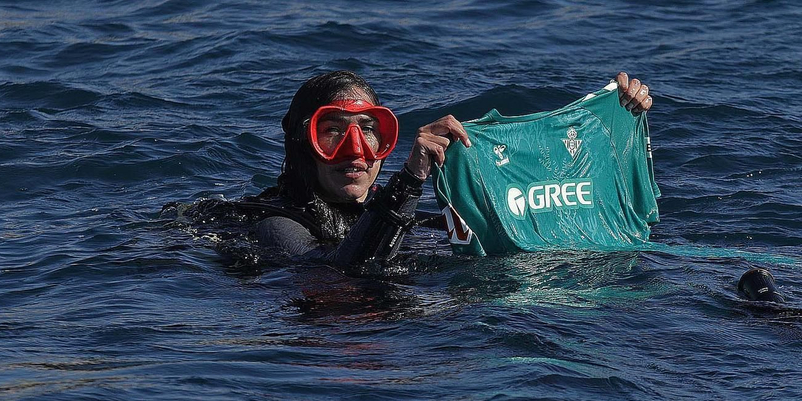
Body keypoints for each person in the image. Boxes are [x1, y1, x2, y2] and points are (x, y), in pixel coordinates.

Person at [242, 69, 654, 268]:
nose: (356, 151)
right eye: (331, 132)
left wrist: (614, 121)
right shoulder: (274, 224)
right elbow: (343, 271)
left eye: (370, 131)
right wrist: (410, 180)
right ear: (302, 143)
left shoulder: (423, 224)